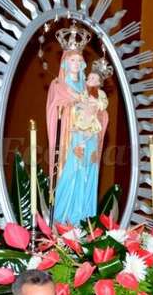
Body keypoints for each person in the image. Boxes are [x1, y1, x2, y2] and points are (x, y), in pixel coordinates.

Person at [46, 23, 109, 225]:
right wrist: (74, 106)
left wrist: (96, 109)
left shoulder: (88, 86)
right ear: (65, 62)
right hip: (69, 139)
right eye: (72, 60)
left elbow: (102, 111)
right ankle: (62, 221)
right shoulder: (58, 85)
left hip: (89, 138)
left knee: (86, 175)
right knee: (70, 174)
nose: (76, 63)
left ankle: (82, 221)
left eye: (79, 60)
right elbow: (54, 111)